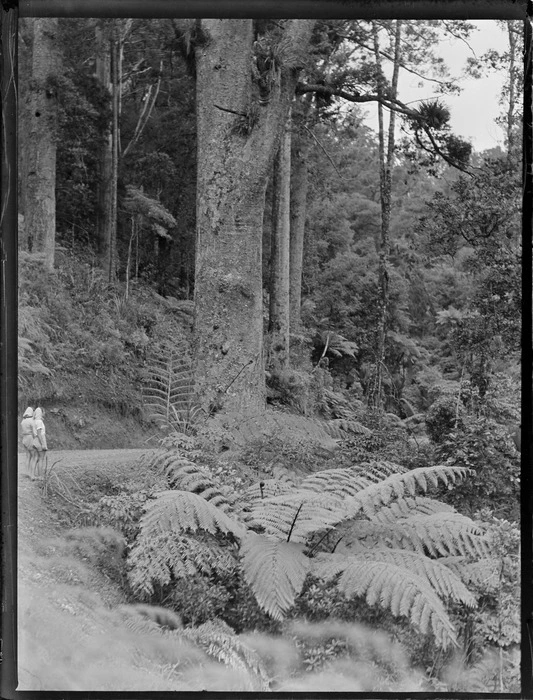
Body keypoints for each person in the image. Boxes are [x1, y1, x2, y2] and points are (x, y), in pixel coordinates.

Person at [32, 407, 48, 480]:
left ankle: (32, 475)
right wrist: (43, 444)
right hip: (39, 440)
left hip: (34, 440)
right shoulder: (39, 422)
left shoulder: (33, 421)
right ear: (40, 413)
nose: (44, 413)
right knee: (41, 458)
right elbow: (39, 433)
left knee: (35, 458)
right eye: (43, 412)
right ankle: (40, 476)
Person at [21, 407, 37, 476]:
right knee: (33, 456)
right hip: (30, 437)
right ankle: (32, 474)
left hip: (24, 438)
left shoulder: (23, 421)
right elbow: (35, 433)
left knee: (27, 456)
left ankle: (27, 472)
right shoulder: (31, 421)